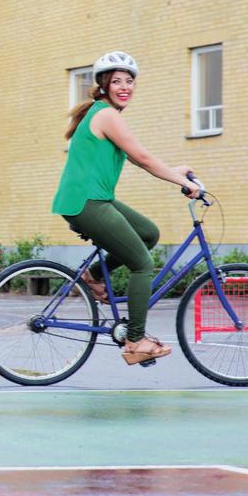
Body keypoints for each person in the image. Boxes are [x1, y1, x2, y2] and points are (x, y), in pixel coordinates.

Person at [51, 51, 200, 366]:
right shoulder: (106, 115)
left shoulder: (105, 115)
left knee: (148, 233)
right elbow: (144, 159)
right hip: (86, 202)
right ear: (104, 85)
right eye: (116, 81)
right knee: (142, 264)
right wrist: (181, 182)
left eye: (129, 81)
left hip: (94, 199)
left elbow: (137, 156)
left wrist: (176, 171)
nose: (124, 87)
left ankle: (92, 277)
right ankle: (135, 339)